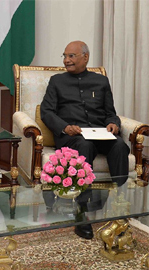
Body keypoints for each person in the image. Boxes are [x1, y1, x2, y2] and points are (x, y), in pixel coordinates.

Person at [40, 40, 130, 239]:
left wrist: (113, 124)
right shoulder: (57, 81)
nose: (66, 60)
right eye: (64, 56)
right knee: (85, 145)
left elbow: (110, 113)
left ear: (85, 57)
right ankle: (82, 215)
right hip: (72, 137)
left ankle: (120, 207)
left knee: (120, 146)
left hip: (100, 133)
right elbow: (47, 112)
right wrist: (64, 127)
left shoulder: (101, 81)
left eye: (71, 56)